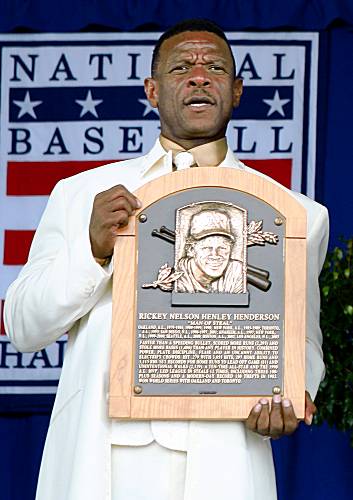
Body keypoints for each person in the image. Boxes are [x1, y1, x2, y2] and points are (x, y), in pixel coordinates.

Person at [4, 19, 328, 500]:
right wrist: (93, 251)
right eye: (182, 67)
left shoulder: (297, 214)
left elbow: (302, 340)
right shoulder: (81, 195)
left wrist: (291, 393)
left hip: (223, 463)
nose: (199, 76)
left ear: (236, 91)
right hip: (99, 456)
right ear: (153, 91)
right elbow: (24, 326)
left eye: (215, 67)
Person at [176, 209, 244, 293]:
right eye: (207, 248)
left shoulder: (235, 271)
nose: (215, 255)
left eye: (222, 248)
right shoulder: (176, 279)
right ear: (191, 249)